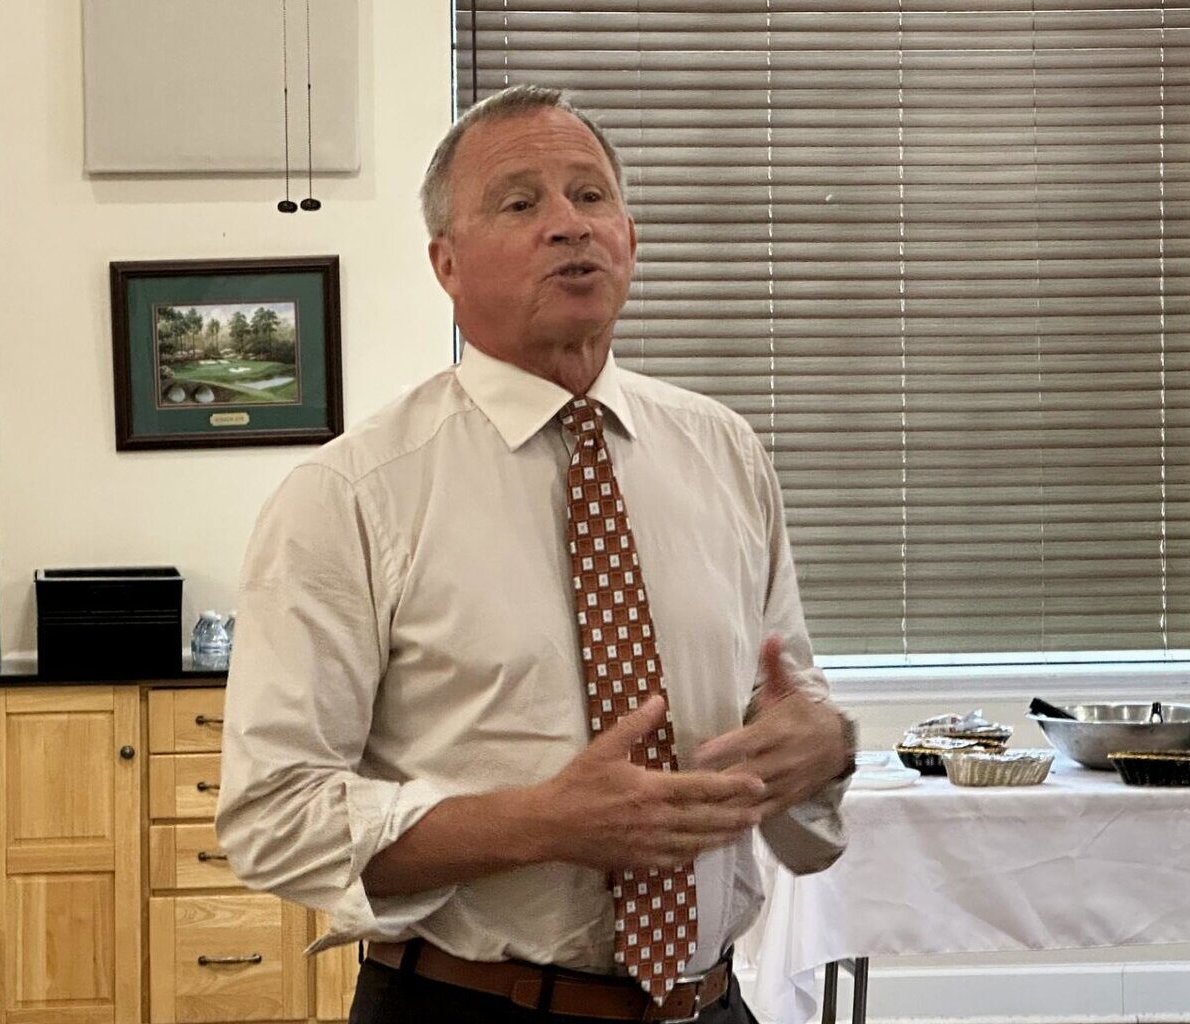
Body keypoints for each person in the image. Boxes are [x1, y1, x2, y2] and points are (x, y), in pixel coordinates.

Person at [216, 84, 856, 1024]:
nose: (569, 224)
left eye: (591, 196)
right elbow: (273, 816)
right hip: (469, 1003)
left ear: (629, 238)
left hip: (710, 1003)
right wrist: (540, 824)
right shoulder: (351, 495)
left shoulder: (725, 453)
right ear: (447, 263)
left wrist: (825, 746)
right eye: (521, 203)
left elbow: (789, 699)